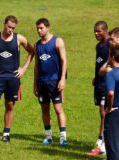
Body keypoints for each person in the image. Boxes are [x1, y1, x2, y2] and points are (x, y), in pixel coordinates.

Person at [0, 15, 34, 142]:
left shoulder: (19, 38)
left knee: (9, 106)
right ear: (4, 24)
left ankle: (6, 134)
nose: (10, 30)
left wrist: (24, 68)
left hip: (13, 78)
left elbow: (32, 51)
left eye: (13, 28)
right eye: (9, 27)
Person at [33, 18, 67, 146]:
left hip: (55, 81)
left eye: (41, 28)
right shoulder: (37, 45)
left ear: (48, 28)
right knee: (45, 109)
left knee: (58, 109)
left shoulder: (57, 41)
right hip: (42, 82)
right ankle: (48, 137)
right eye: (37, 28)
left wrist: (62, 79)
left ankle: (63, 137)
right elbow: (36, 65)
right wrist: (35, 83)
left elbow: (64, 61)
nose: (39, 30)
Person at [87, 21, 109, 155]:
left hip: (107, 83)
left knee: (104, 112)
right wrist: (96, 76)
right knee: (101, 113)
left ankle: (101, 142)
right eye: (95, 31)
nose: (96, 33)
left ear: (105, 31)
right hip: (99, 83)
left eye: (99, 31)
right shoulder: (98, 46)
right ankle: (102, 140)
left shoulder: (110, 45)